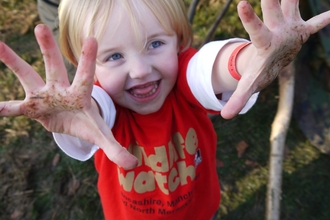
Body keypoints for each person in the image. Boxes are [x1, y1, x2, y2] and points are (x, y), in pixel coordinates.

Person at [0, 0, 329, 219]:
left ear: (179, 40)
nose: (140, 70)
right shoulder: (98, 104)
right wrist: (70, 117)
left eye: (155, 44)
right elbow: (92, 115)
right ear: (86, 66)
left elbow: (208, 68)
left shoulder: (182, 80)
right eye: (114, 56)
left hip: (200, 210)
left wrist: (251, 59)